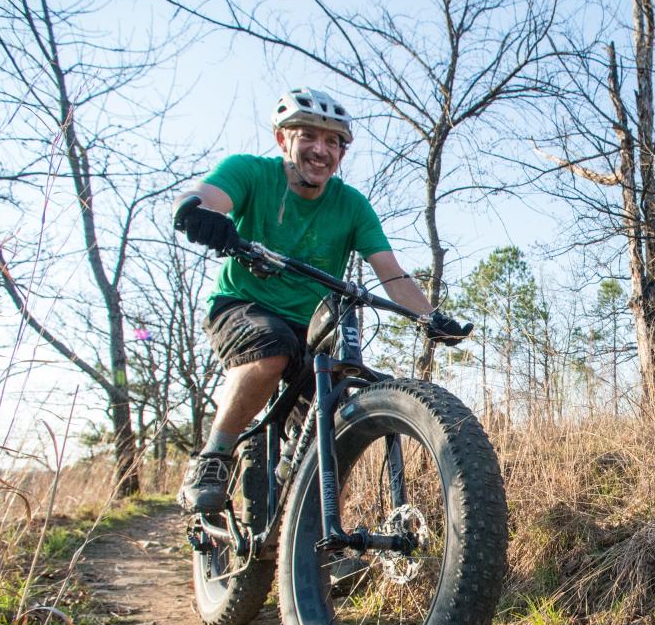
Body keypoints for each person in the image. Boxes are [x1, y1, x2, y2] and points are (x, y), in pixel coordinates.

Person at [173, 87, 469, 512]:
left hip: (311, 329)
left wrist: (430, 317)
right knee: (270, 349)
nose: (321, 149)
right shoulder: (250, 172)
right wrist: (197, 212)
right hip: (244, 306)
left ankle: (318, 543)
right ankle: (214, 457)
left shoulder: (351, 205)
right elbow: (204, 197)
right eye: (308, 135)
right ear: (282, 140)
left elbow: (392, 272)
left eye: (334, 142)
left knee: (329, 430)